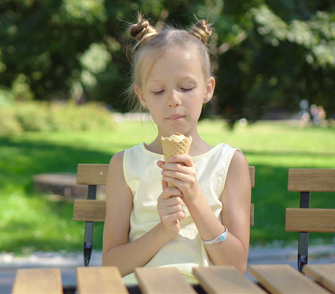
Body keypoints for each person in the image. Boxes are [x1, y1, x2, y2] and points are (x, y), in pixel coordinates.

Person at [102, 15, 251, 284]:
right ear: (142, 96)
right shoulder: (124, 164)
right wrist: (163, 230)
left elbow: (237, 265)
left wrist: (194, 199)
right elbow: (111, 266)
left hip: (203, 287)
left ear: (208, 89)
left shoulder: (229, 163)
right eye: (158, 91)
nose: (173, 100)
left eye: (186, 87)